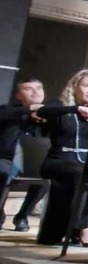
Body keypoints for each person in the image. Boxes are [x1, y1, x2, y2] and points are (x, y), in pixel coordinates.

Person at [32, 70, 88, 246]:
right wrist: (77, 108)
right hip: (58, 161)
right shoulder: (61, 106)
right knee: (81, 174)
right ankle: (86, 228)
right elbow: (42, 111)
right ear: (75, 87)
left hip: (84, 163)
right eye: (87, 85)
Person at [1, 77, 47, 231]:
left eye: (38, 88)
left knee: (48, 173)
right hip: (8, 159)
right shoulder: (8, 111)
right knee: (3, 170)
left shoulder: (49, 116)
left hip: (34, 162)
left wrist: (44, 114)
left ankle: (22, 215)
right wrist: (31, 110)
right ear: (18, 96)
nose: (35, 92)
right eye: (28, 89)